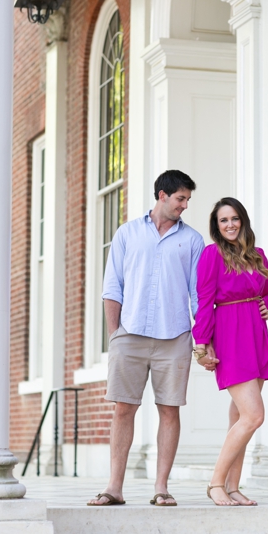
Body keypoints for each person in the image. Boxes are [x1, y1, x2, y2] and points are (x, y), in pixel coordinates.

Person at [87, 170, 205, 507]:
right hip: (130, 335)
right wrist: (116, 336)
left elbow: (198, 295)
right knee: (123, 410)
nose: (184, 205)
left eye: (187, 200)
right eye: (181, 198)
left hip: (175, 336)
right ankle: (114, 488)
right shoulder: (127, 234)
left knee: (170, 411)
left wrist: (202, 338)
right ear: (162, 195)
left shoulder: (193, 241)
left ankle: (161, 487)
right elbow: (112, 287)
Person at [192, 197, 268, 507]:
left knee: (241, 418)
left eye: (234, 218)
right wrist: (201, 344)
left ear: (242, 220)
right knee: (254, 415)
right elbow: (204, 301)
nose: (229, 224)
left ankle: (233, 486)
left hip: (256, 335)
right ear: (217, 226)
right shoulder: (211, 255)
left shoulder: (257, 255)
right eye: (223, 220)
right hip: (229, 334)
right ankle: (216, 483)